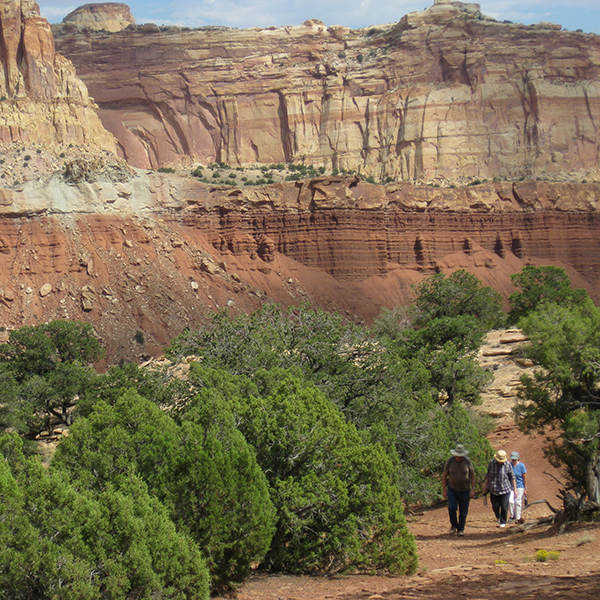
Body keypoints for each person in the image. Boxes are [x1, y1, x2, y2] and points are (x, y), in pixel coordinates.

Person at [442, 444, 476, 537]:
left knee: (463, 511)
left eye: (461, 456)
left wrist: (473, 489)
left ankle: (461, 529)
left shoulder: (467, 461)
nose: (459, 457)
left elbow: (472, 475)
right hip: (452, 489)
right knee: (452, 508)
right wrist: (444, 490)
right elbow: (445, 475)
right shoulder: (450, 461)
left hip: (465, 490)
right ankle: (454, 525)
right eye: (458, 455)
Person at [484, 449, 517, 528]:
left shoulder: (508, 464)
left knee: (504, 505)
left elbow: (512, 477)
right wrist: (485, 486)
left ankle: (503, 521)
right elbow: (488, 475)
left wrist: (515, 489)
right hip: (493, 488)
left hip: (505, 489)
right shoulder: (491, 463)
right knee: (495, 505)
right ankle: (498, 516)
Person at [509, 451, 527, 524]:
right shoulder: (509, 465)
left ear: (518, 459)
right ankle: (512, 515)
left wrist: (525, 488)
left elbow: (524, 477)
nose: (513, 461)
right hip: (510, 486)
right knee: (510, 501)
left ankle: (518, 518)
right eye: (512, 459)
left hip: (520, 486)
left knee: (518, 501)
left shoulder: (521, 466)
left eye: (515, 460)